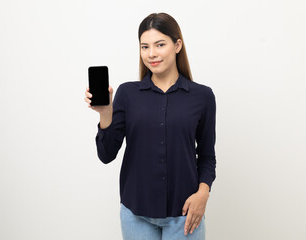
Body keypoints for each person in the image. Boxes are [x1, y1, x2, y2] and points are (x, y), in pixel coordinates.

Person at [84, 12, 216, 240]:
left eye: (160, 44)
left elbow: (206, 156)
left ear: (177, 45)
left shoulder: (202, 97)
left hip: (185, 214)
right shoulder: (127, 94)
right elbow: (106, 155)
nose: (151, 53)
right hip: (136, 215)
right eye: (145, 47)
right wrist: (105, 114)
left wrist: (203, 194)